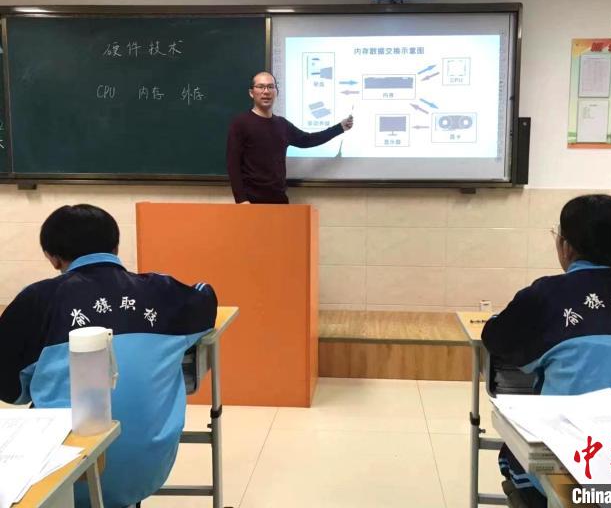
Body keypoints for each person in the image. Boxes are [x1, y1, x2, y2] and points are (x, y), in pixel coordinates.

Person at [482, 194, 611, 508]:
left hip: (582, 466)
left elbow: (498, 340)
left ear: (565, 246)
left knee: (513, 454)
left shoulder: (547, 294)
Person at [0, 204, 218, 508]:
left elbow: (10, 390)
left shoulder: (37, 300)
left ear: (52, 257)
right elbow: (206, 297)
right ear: (115, 247)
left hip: (64, 479)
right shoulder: (164, 291)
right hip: (148, 471)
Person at [226, 71, 353, 204]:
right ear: (251, 92)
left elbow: (308, 140)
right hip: (250, 201)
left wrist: (340, 128)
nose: (266, 91)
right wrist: (241, 199)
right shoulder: (240, 123)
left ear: (276, 92)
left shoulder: (282, 124)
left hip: (279, 198)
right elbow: (233, 164)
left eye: (270, 87)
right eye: (261, 87)